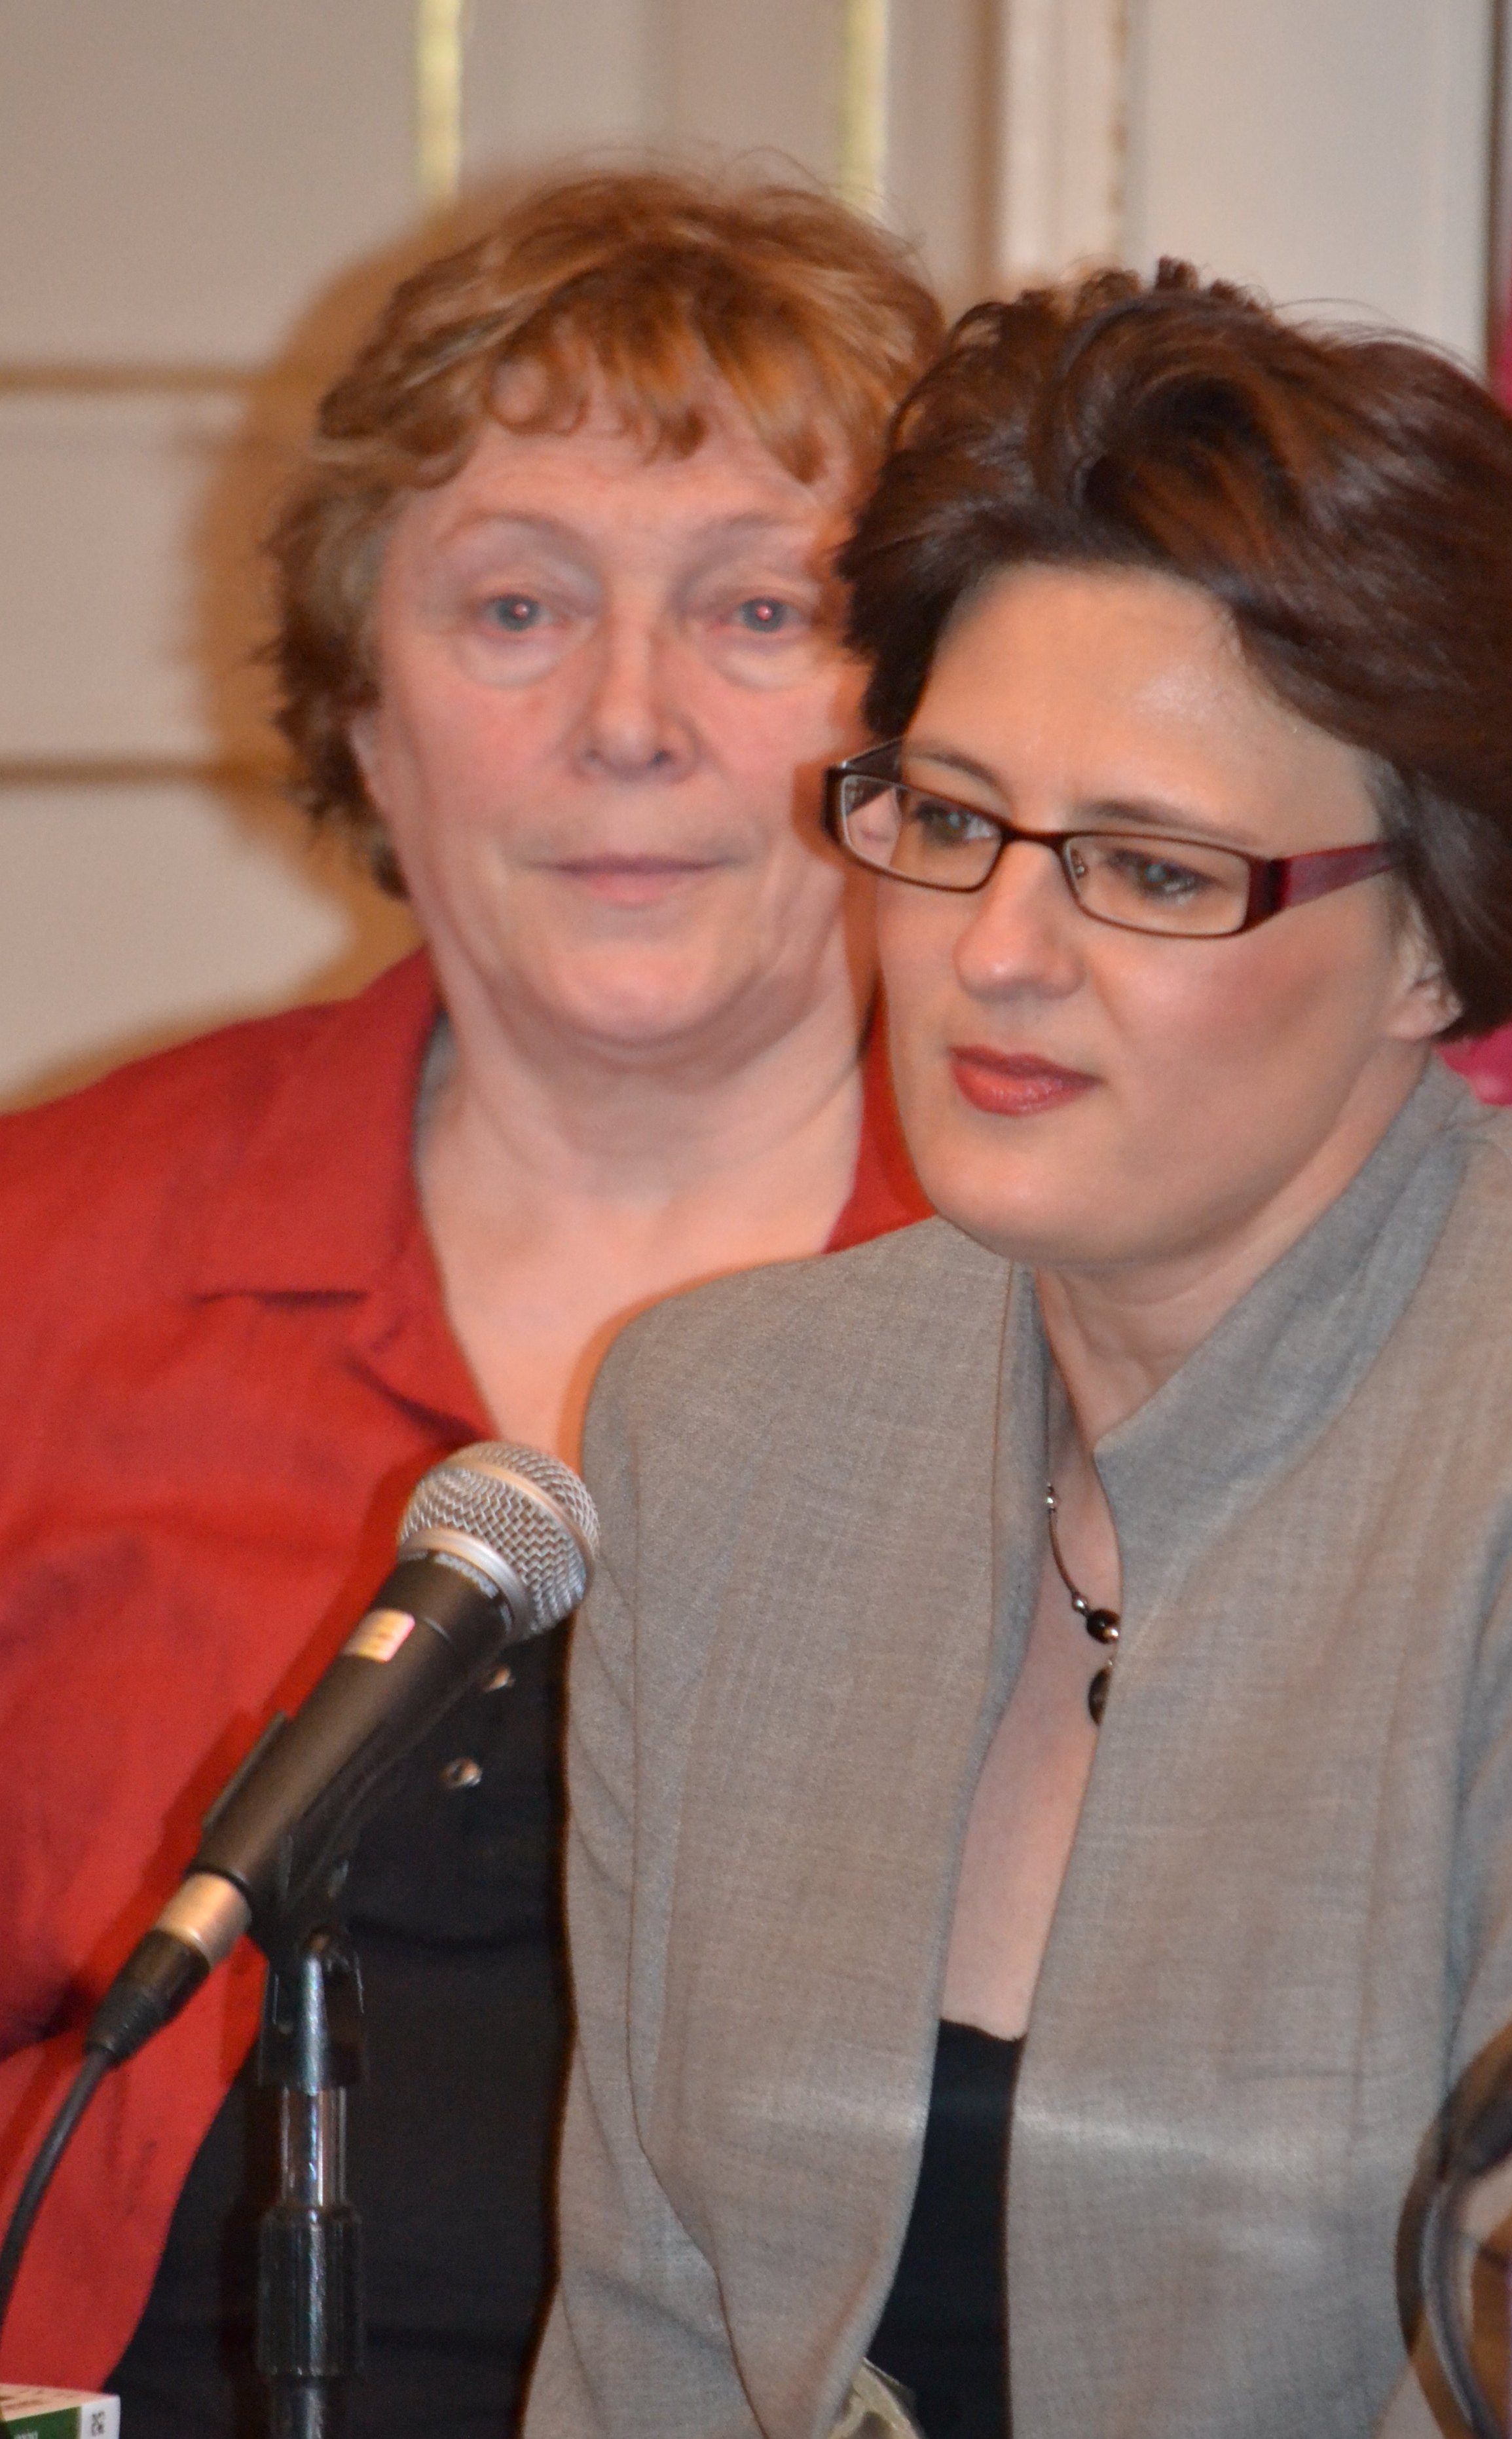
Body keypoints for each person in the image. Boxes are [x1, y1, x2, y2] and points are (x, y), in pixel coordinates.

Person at [529, 266, 1512, 2439]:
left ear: (1427, 938)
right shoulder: (721, 1426)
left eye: (1148, 871)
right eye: (946, 820)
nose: (994, 951)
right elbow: (638, 2332)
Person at [0, 171, 939, 2432]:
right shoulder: (52, 1256)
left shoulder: (1102, 1287)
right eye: (517, 607)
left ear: (923, 718)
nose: (629, 719)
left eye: (759, 610)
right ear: (366, 704)